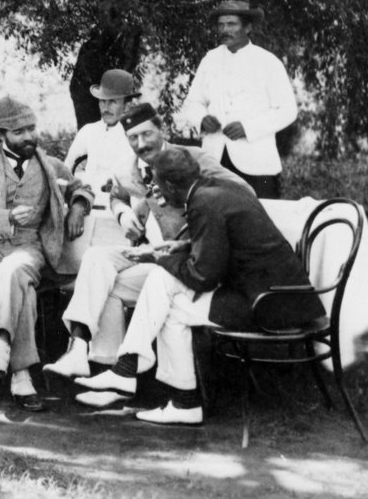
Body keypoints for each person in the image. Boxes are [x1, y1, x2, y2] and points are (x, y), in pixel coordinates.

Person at [74, 147, 322, 425]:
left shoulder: (203, 203)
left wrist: (158, 258)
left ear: (170, 185)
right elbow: (229, 242)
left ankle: (171, 393)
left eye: (158, 186)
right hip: (279, 297)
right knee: (165, 283)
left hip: (269, 305)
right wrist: (181, 246)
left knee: (169, 295)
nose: (157, 194)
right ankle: (138, 372)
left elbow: (204, 276)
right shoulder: (219, 188)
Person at [46, 103, 253, 380]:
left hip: (196, 260)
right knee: (97, 259)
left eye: (146, 134)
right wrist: (123, 213)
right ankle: (83, 352)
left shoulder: (192, 158)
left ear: (162, 130)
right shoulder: (129, 168)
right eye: (133, 138)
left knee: (110, 284)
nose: (141, 144)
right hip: (164, 257)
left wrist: (198, 210)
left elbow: (242, 190)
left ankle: (120, 376)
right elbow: (117, 194)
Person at [0, 96, 93, 411]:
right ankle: (21, 375)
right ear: (1, 133)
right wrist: (8, 217)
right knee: (22, 290)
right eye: (20, 132)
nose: (29, 136)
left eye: (32, 128)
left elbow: (81, 187)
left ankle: (3, 348)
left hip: (30, 249)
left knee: (15, 272)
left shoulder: (50, 164)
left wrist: (78, 208)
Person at [181, 0, 298, 198]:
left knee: (257, 221)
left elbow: (287, 110)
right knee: (214, 219)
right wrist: (202, 119)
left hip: (256, 164)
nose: (225, 29)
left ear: (248, 27)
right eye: (221, 25)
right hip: (214, 162)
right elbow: (192, 103)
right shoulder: (210, 60)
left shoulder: (268, 62)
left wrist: (249, 128)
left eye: (232, 24)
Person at [68, 0, 141, 128]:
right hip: (89, 100)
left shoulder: (115, 47)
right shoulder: (92, 47)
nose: (120, 27)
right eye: (117, 22)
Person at [62, 69, 139, 191]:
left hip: (123, 203)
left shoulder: (136, 135)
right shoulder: (88, 131)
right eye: (102, 101)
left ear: (127, 105)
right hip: (88, 203)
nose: (106, 108)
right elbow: (66, 169)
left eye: (112, 102)